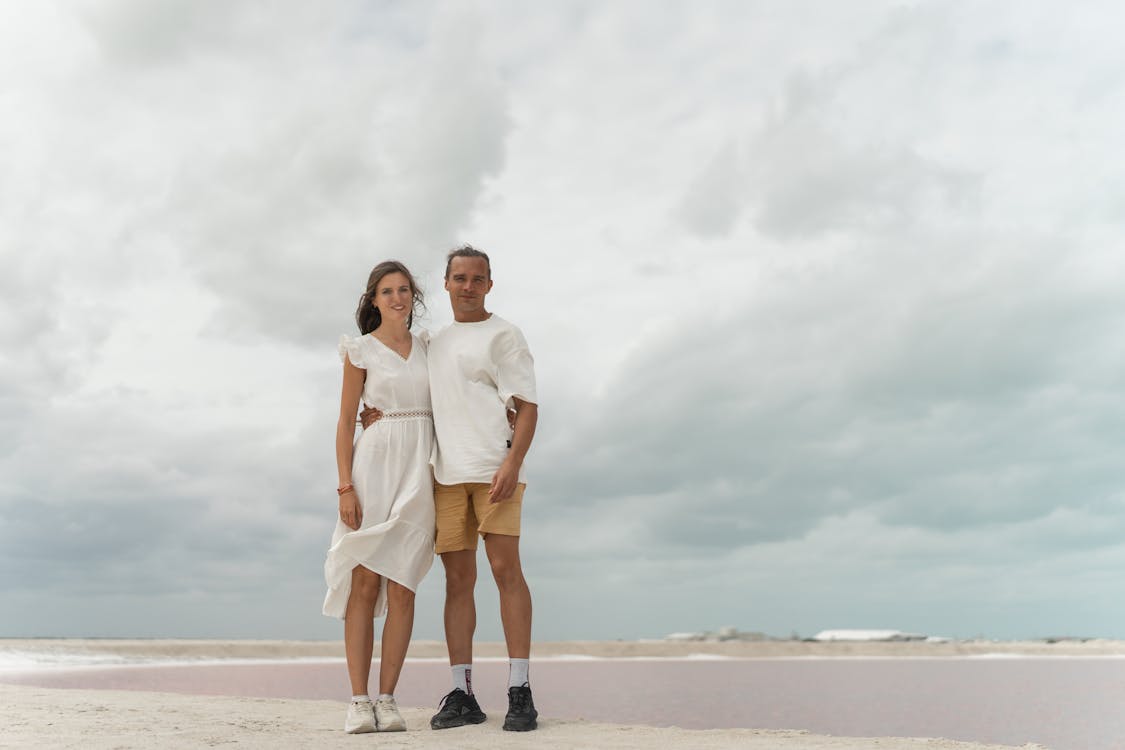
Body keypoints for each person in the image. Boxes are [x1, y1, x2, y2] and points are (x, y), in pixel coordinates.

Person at [362, 244, 540, 732]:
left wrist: (512, 462)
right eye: (458, 278)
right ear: (445, 283)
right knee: (458, 583)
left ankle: (520, 689)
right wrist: (371, 414)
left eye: (476, 278)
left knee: (507, 572)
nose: (467, 286)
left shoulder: (504, 335)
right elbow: (395, 377)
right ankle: (462, 693)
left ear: (488, 284)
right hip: (443, 475)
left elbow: (526, 406)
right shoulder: (432, 341)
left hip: (493, 472)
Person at [323, 260, 436, 734]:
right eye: (387, 291)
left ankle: (388, 699)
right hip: (374, 465)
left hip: (421, 467)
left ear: (414, 297)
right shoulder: (360, 351)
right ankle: (358, 699)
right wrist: (345, 486)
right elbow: (346, 420)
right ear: (373, 299)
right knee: (366, 584)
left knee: (405, 583)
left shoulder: (432, 348)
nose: (397, 298)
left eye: (404, 290)